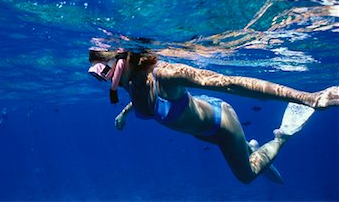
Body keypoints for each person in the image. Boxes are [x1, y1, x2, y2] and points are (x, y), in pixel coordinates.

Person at [88, 49, 338, 184]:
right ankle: (249, 147)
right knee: (242, 155)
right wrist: (124, 113)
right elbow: (141, 101)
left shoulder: (165, 74)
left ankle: (281, 137)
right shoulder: (130, 81)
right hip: (201, 131)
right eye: (101, 76)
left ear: (123, 60)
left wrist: (309, 98)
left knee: (247, 176)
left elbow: (231, 84)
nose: (106, 80)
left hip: (222, 124)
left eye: (106, 72)